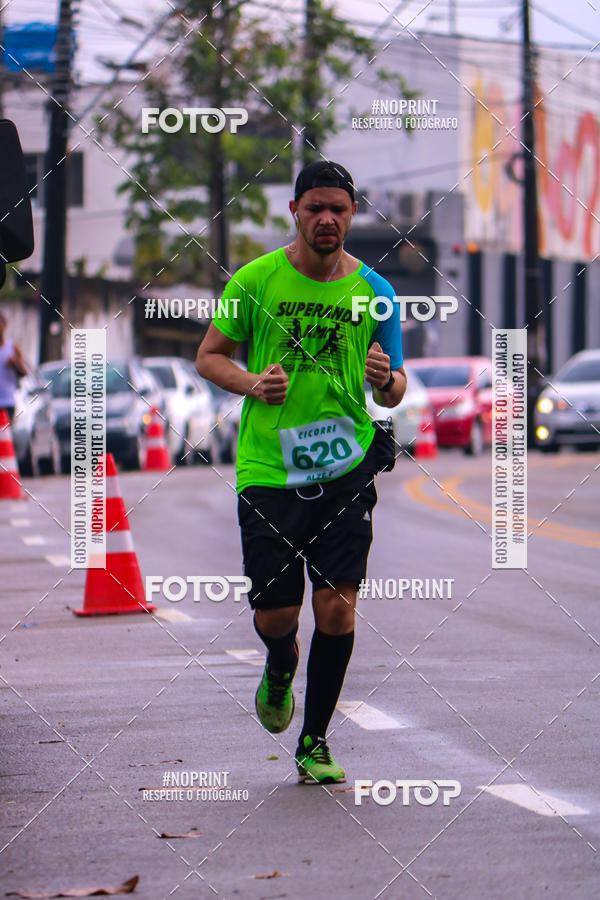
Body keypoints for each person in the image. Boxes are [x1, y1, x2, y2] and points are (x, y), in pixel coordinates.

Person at [196, 160, 406, 784]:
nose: (326, 219)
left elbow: (395, 389)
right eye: (315, 207)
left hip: (346, 466)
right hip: (269, 469)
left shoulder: (376, 292)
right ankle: (280, 662)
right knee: (276, 617)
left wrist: (385, 380)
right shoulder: (255, 280)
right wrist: (252, 382)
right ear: (295, 211)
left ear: (352, 214)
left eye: (338, 209)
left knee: (337, 609)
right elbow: (209, 357)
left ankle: (314, 743)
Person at [0, 312, 27, 421]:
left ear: (5, 325)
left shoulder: (13, 347)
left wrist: (15, 364)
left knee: (5, 435)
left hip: (7, 402)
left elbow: (23, 373)